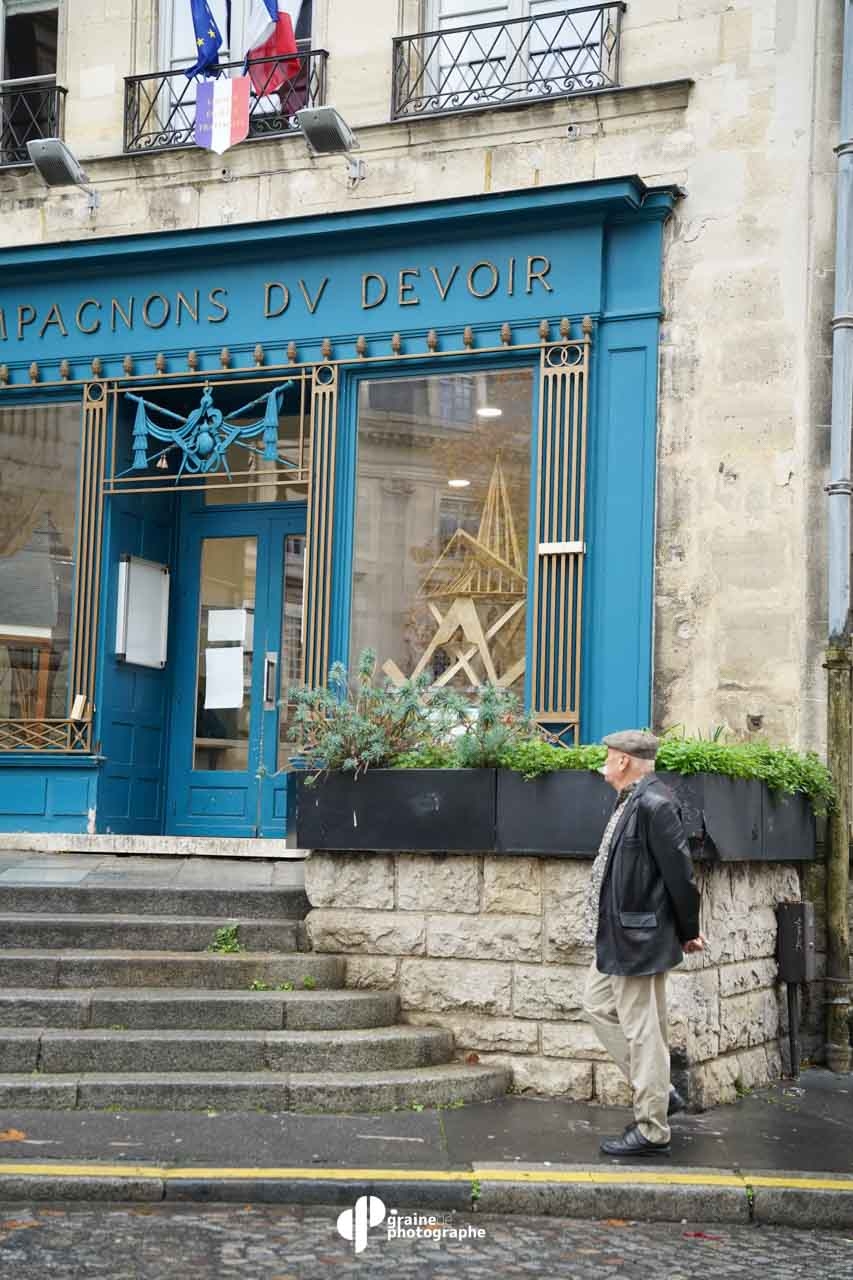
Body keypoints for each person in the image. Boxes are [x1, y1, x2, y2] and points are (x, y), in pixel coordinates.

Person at [581, 730, 705, 1157]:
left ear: (623, 761)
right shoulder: (632, 799)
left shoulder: (655, 804)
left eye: (608, 755)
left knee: (643, 1031)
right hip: (618, 935)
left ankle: (652, 1128)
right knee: (596, 1004)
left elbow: (680, 874)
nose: (603, 762)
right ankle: (659, 1089)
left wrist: (689, 930)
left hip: (638, 937)